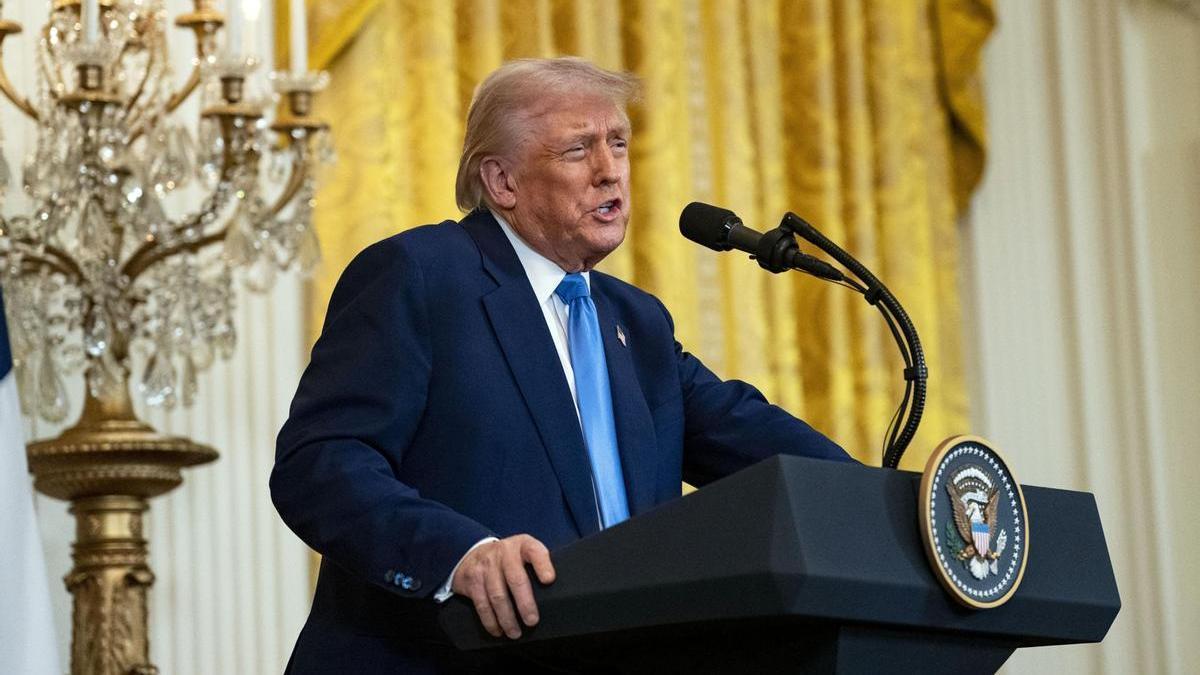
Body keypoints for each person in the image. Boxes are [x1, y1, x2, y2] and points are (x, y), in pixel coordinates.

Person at [270, 56, 855, 674]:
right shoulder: (420, 276)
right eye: (578, 151)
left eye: (619, 144)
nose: (611, 173)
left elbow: (757, 440)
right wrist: (459, 556)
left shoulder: (638, 323)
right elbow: (320, 463)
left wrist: (895, 508)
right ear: (502, 182)